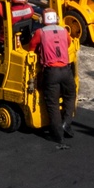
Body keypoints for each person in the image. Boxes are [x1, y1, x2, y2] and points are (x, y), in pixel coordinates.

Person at [29, 9, 76, 147]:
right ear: (56, 19)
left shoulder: (40, 33)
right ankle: (66, 123)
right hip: (66, 70)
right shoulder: (63, 31)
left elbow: (31, 48)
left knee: (53, 104)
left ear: (43, 20)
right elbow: (67, 44)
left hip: (51, 72)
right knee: (70, 95)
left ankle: (57, 135)